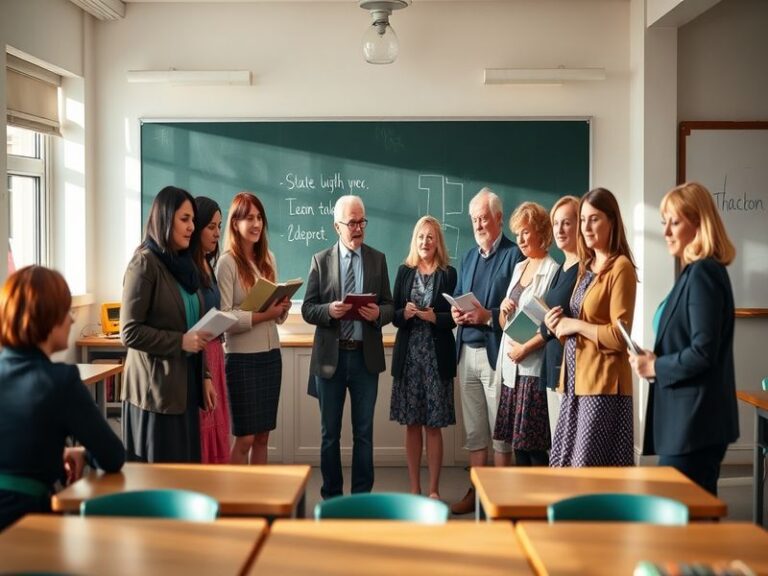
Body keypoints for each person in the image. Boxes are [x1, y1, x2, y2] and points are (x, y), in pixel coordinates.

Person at [629, 182, 738, 495]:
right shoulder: (694, 273)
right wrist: (652, 359)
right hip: (687, 423)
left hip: (695, 425)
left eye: (674, 222)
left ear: (699, 224)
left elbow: (704, 352)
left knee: (688, 526)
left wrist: (657, 367)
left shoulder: (704, 273)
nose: (666, 233)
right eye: (664, 223)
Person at [0, 266, 125, 531]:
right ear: (48, 318)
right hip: (23, 523)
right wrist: (81, 451)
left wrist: (54, 452)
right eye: (66, 311)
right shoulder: (60, 380)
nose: (71, 320)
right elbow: (112, 456)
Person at [302, 195, 394, 499]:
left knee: (363, 434)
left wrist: (378, 314)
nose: (358, 228)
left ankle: (361, 498)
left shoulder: (377, 259)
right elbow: (308, 309)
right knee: (330, 435)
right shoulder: (320, 260)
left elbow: (390, 306)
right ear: (336, 226)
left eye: (362, 222)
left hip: (365, 359)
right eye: (352, 223)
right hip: (331, 359)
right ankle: (331, 497)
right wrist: (330, 311)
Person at [122, 185, 215, 463]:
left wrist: (206, 376)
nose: (191, 227)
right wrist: (180, 342)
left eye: (192, 221)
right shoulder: (144, 263)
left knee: (185, 477)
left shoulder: (186, 265)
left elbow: (195, 328)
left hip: (185, 386)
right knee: (159, 483)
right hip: (155, 395)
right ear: (165, 219)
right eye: (184, 219)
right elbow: (129, 332)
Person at [545, 187, 637, 467]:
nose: (586, 227)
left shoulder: (620, 267)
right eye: (583, 219)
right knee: (564, 466)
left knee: (586, 470)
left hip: (603, 386)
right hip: (575, 382)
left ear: (612, 221)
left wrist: (575, 324)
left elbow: (619, 337)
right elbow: (578, 332)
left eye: (594, 219)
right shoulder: (587, 266)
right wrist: (558, 327)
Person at [450, 187, 522, 515]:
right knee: (476, 431)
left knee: (500, 432)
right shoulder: (466, 257)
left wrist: (487, 316)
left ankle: (503, 497)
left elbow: (519, 310)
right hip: (466, 353)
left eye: (484, 218)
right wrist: (456, 312)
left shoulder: (514, 255)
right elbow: (457, 296)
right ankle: (477, 492)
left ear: (499, 219)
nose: (479, 224)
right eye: (474, 219)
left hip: (497, 353)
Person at [217, 192, 290, 465]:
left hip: (271, 356)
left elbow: (275, 317)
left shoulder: (268, 258)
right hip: (241, 359)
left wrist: (281, 309)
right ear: (235, 224)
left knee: (263, 437)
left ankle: (258, 498)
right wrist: (263, 315)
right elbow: (224, 317)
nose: (257, 223)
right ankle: (236, 502)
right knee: (245, 438)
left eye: (259, 217)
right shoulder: (226, 263)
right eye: (249, 218)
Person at [390, 216, 457, 499]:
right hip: (409, 357)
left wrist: (435, 317)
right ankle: (415, 488)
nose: (425, 242)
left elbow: (455, 316)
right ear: (414, 241)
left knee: (434, 425)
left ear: (437, 241)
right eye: (420, 237)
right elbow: (392, 314)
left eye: (430, 237)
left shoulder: (449, 273)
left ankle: (433, 490)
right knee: (412, 423)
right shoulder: (404, 272)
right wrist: (403, 314)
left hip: (435, 357)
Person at [492, 202, 559, 466]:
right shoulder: (520, 267)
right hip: (511, 367)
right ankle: (522, 506)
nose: (519, 239)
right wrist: (504, 310)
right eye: (517, 233)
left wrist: (524, 349)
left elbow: (550, 325)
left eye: (525, 232)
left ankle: (539, 505)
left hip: (532, 366)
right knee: (518, 446)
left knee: (534, 446)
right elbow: (502, 319)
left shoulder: (552, 270)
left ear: (542, 233)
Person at [191, 196, 231, 464]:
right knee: (203, 426)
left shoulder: (209, 263)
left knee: (218, 425)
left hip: (216, 352)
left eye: (219, 226)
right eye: (211, 226)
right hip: (201, 353)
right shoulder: (189, 268)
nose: (217, 233)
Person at [539, 196, 581, 436]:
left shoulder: (585, 269)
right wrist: (547, 326)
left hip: (572, 368)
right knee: (558, 445)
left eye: (567, 223)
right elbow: (548, 320)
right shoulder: (561, 269)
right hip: (553, 365)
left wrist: (550, 325)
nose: (560, 229)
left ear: (580, 225)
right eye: (556, 223)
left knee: (569, 445)